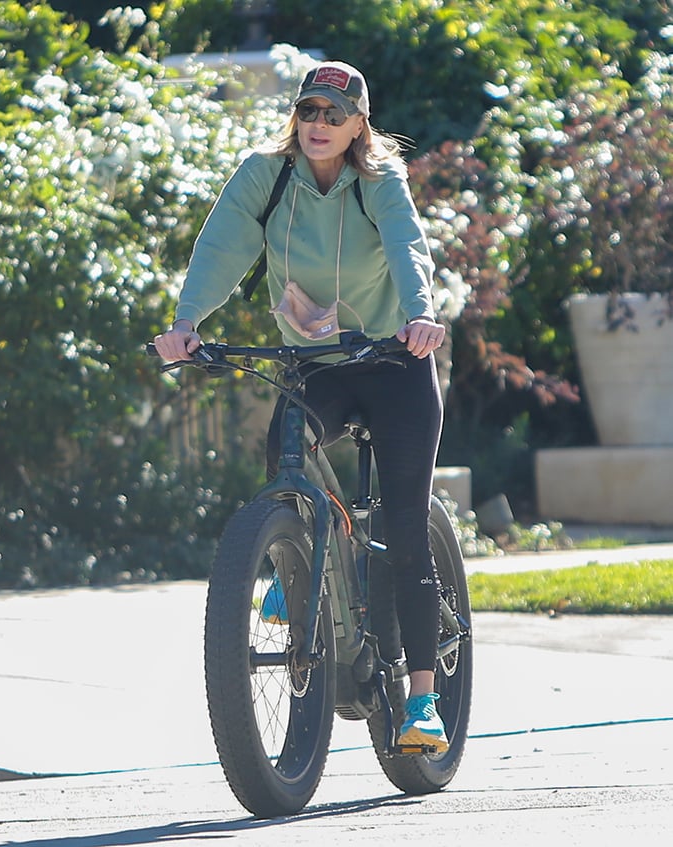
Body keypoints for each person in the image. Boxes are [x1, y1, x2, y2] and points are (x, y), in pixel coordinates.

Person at [153, 60, 448, 750]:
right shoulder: (268, 172)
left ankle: (422, 702)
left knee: (405, 530)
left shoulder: (379, 178)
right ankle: (298, 560)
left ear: (358, 125)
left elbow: (407, 244)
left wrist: (420, 316)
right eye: (308, 111)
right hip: (319, 362)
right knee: (286, 449)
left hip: (394, 360)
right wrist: (187, 321)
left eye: (334, 115)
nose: (318, 125)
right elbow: (222, 243)